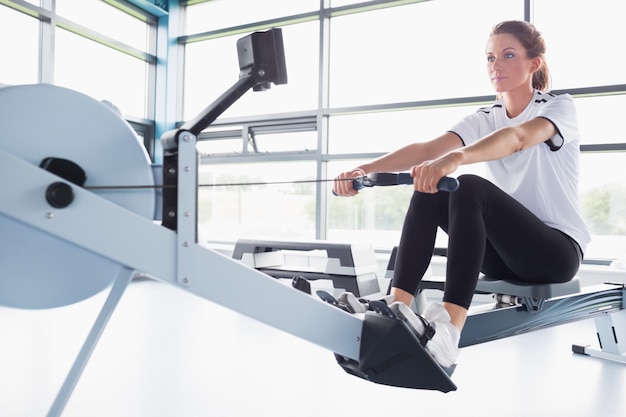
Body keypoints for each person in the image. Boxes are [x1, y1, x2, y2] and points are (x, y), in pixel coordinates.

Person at [333, 20, 590, 368]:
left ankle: (448, 331)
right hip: (506, 253)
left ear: (534, 64)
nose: (495, 65)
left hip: (556, 253)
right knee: (431, 185)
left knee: (467, 185)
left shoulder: (557, 108)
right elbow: (428, 148)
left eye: (508, 55)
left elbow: (518, 138)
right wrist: (363, 171)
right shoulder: (487, 116)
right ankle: (398, 304)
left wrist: (455, 158)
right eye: (490, 58)